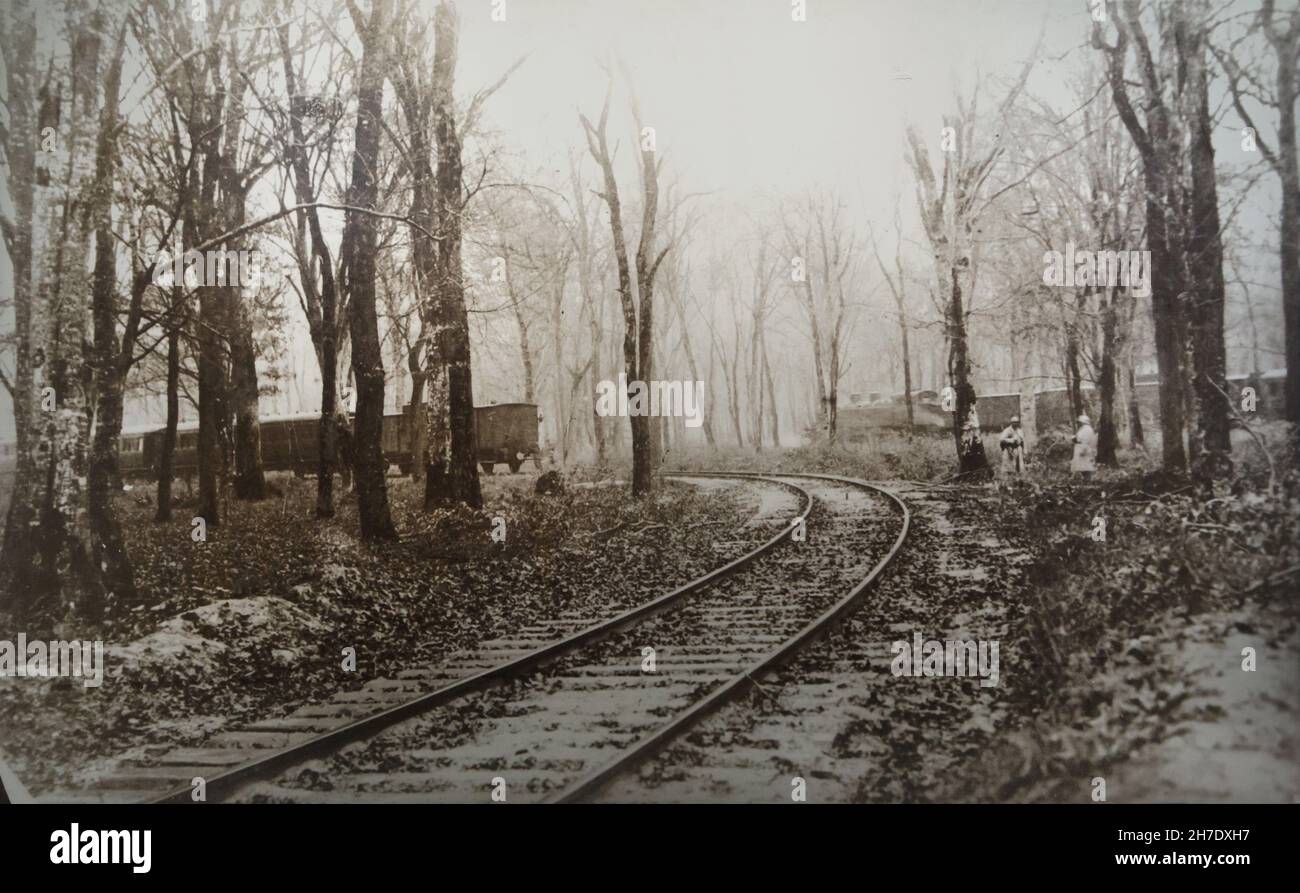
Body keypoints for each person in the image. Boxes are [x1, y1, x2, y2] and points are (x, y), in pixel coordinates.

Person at [1071, 413, 1097, 479]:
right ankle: (1085, 480)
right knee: (1082, 466)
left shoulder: (1087, 429)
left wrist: (1083, 450)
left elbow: (1086, 441)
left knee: (1086, 466)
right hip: (1081, 448)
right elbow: (1079, 438)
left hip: (1084, 449)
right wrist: (1074, 439)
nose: (1079, 423)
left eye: (1080, 422)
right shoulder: (1083, 429)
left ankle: (1088, 480)